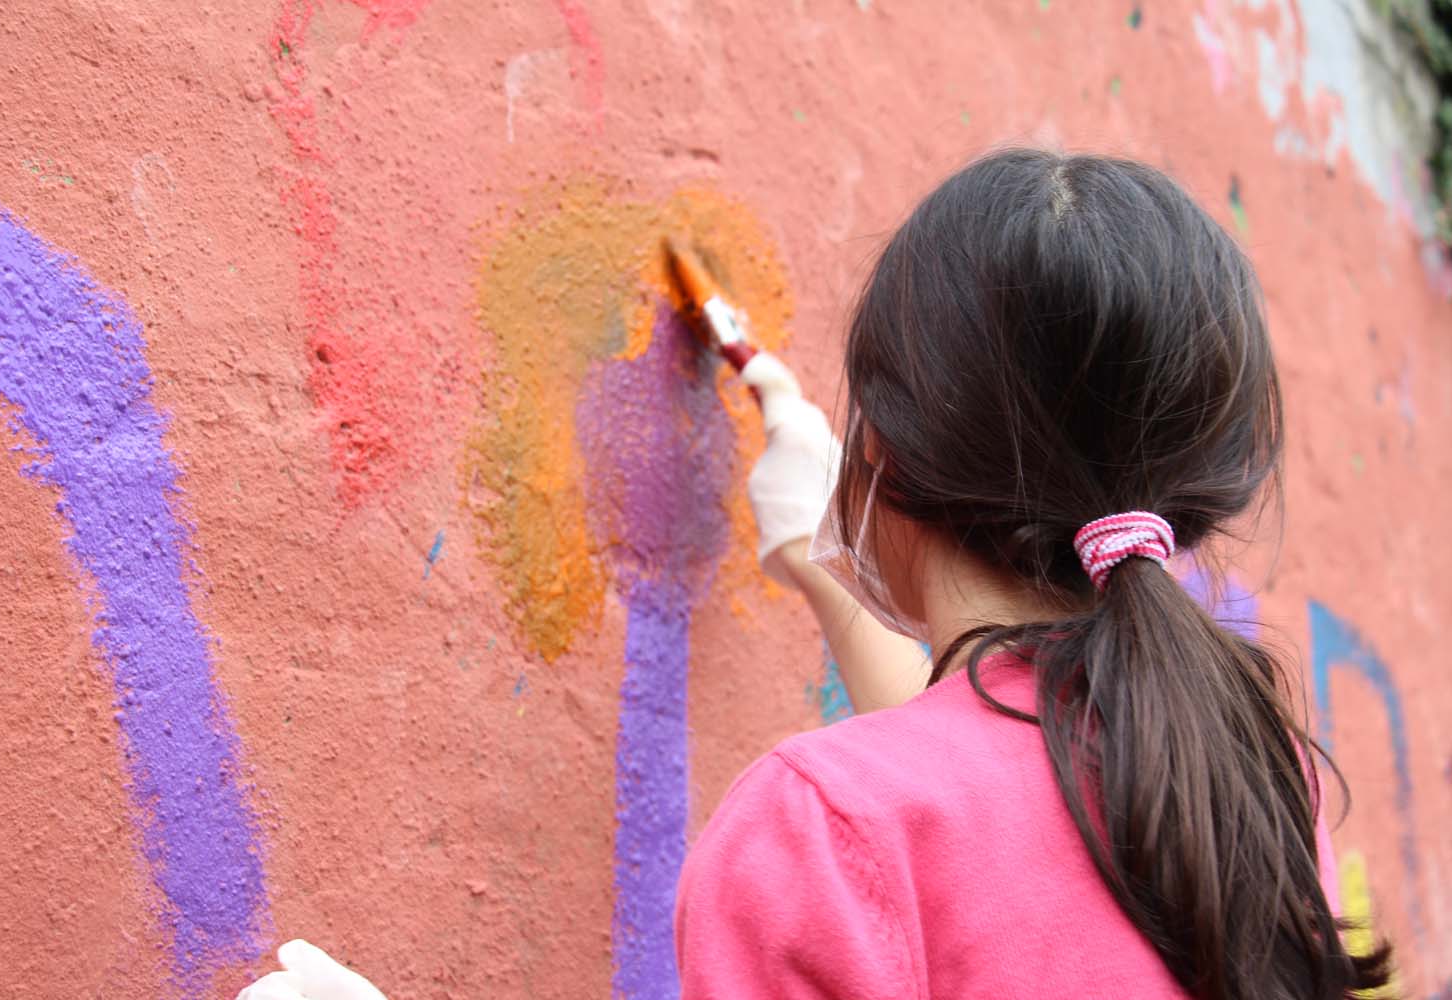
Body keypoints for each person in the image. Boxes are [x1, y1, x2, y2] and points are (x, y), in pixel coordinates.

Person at [238, 149, 1394, 999]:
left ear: (882, 448)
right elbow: (996, 817)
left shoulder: (816, 833)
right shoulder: (1244, 777)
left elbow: (914, 830)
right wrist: (820, 563)